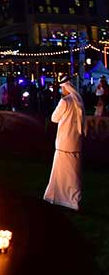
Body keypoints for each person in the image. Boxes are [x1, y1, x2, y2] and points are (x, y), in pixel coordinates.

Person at [44, 81, 85, 210]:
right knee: (72, 173)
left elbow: (54, 118)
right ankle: (66, 198)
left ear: (66, 88)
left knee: (64, 172)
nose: (61, 90)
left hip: (64, 142)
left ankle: (65, 199)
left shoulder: (65, 101)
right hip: (75, 141)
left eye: (62, 88)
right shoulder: (78, 100)